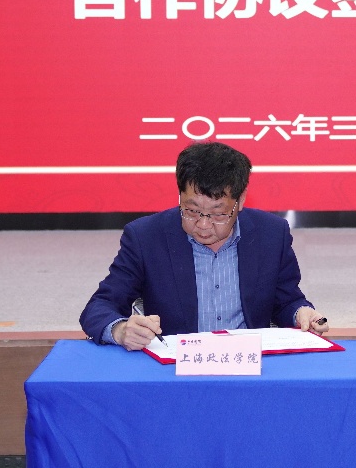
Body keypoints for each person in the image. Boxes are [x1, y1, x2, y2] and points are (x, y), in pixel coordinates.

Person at [81, 142, 328, 350]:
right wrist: (120, 330)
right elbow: (99, 306)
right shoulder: (145, 237)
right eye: (191, 211)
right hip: (176, 367)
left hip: (250, 364)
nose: (203, 224)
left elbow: (285, 301)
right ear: (180, 196)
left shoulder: (271, 234)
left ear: (240, 200)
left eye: (218, 214)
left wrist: (301, 313)